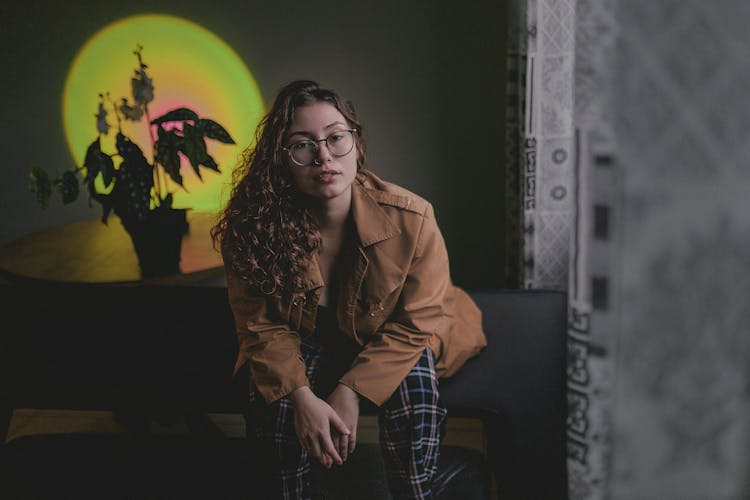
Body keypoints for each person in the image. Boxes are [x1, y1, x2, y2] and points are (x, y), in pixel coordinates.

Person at [212, 80, 486, 499]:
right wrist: (302, 396)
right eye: (303, 145)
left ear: (356, 145)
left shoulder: (413, 218)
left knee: (416, 389)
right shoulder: (252, 227)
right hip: (303, 340)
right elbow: (260, 326)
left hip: (387, 336)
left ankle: (417, 492)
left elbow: (416, 323)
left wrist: (351, 391)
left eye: (336, 138)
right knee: (277, 403)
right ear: (282, 159)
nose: (324, 156)